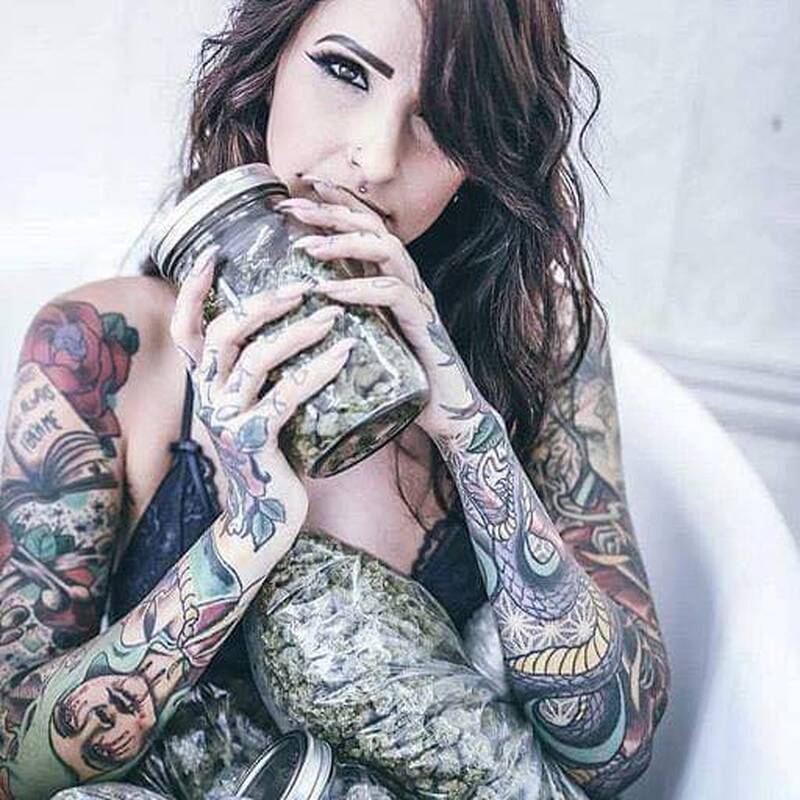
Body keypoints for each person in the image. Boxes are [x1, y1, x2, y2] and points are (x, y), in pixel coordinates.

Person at [0, 1, 671, 798]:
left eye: (444, 119)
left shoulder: (539, 343)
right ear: (269, 63)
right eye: (346, 72)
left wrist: (469, 433)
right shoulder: (103, 350)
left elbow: (615, 750)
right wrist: (248, 533)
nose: (376, 158)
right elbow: (12, 762)